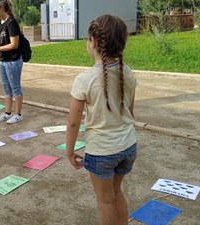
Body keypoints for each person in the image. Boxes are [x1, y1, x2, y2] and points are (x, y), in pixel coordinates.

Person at [66, 14, 138, 225]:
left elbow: (73, 122)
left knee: (105, 201)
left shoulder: (84, 80)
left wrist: (69, 151)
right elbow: (130, 114)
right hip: (128, 146)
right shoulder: (129, 73)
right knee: (116, 192)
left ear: (94, 42)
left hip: (102, 152)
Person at [0, 0, 24, 124]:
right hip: (2, 61)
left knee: (15, 88)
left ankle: (18, 114)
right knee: (6, 88)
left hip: (13, 61)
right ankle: (7, 113)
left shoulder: (12, 23)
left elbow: (14, 45)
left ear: (1, 8)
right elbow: (0, 40)